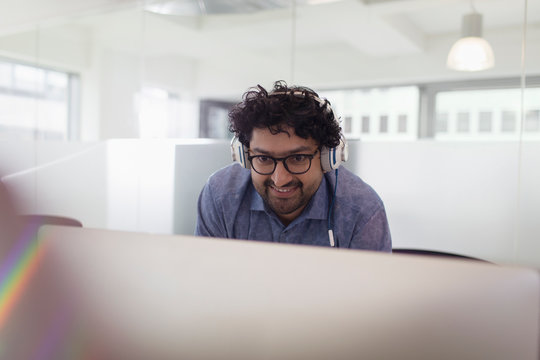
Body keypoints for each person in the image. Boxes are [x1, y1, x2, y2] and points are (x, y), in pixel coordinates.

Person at [195, 81, 391, 251]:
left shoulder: (361, 210)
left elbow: (371, 292)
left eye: (297, 158)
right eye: (264, 158)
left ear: (326, 158)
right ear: (245, 157)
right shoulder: (220, 196)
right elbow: (207, 280)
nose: (280, 178)